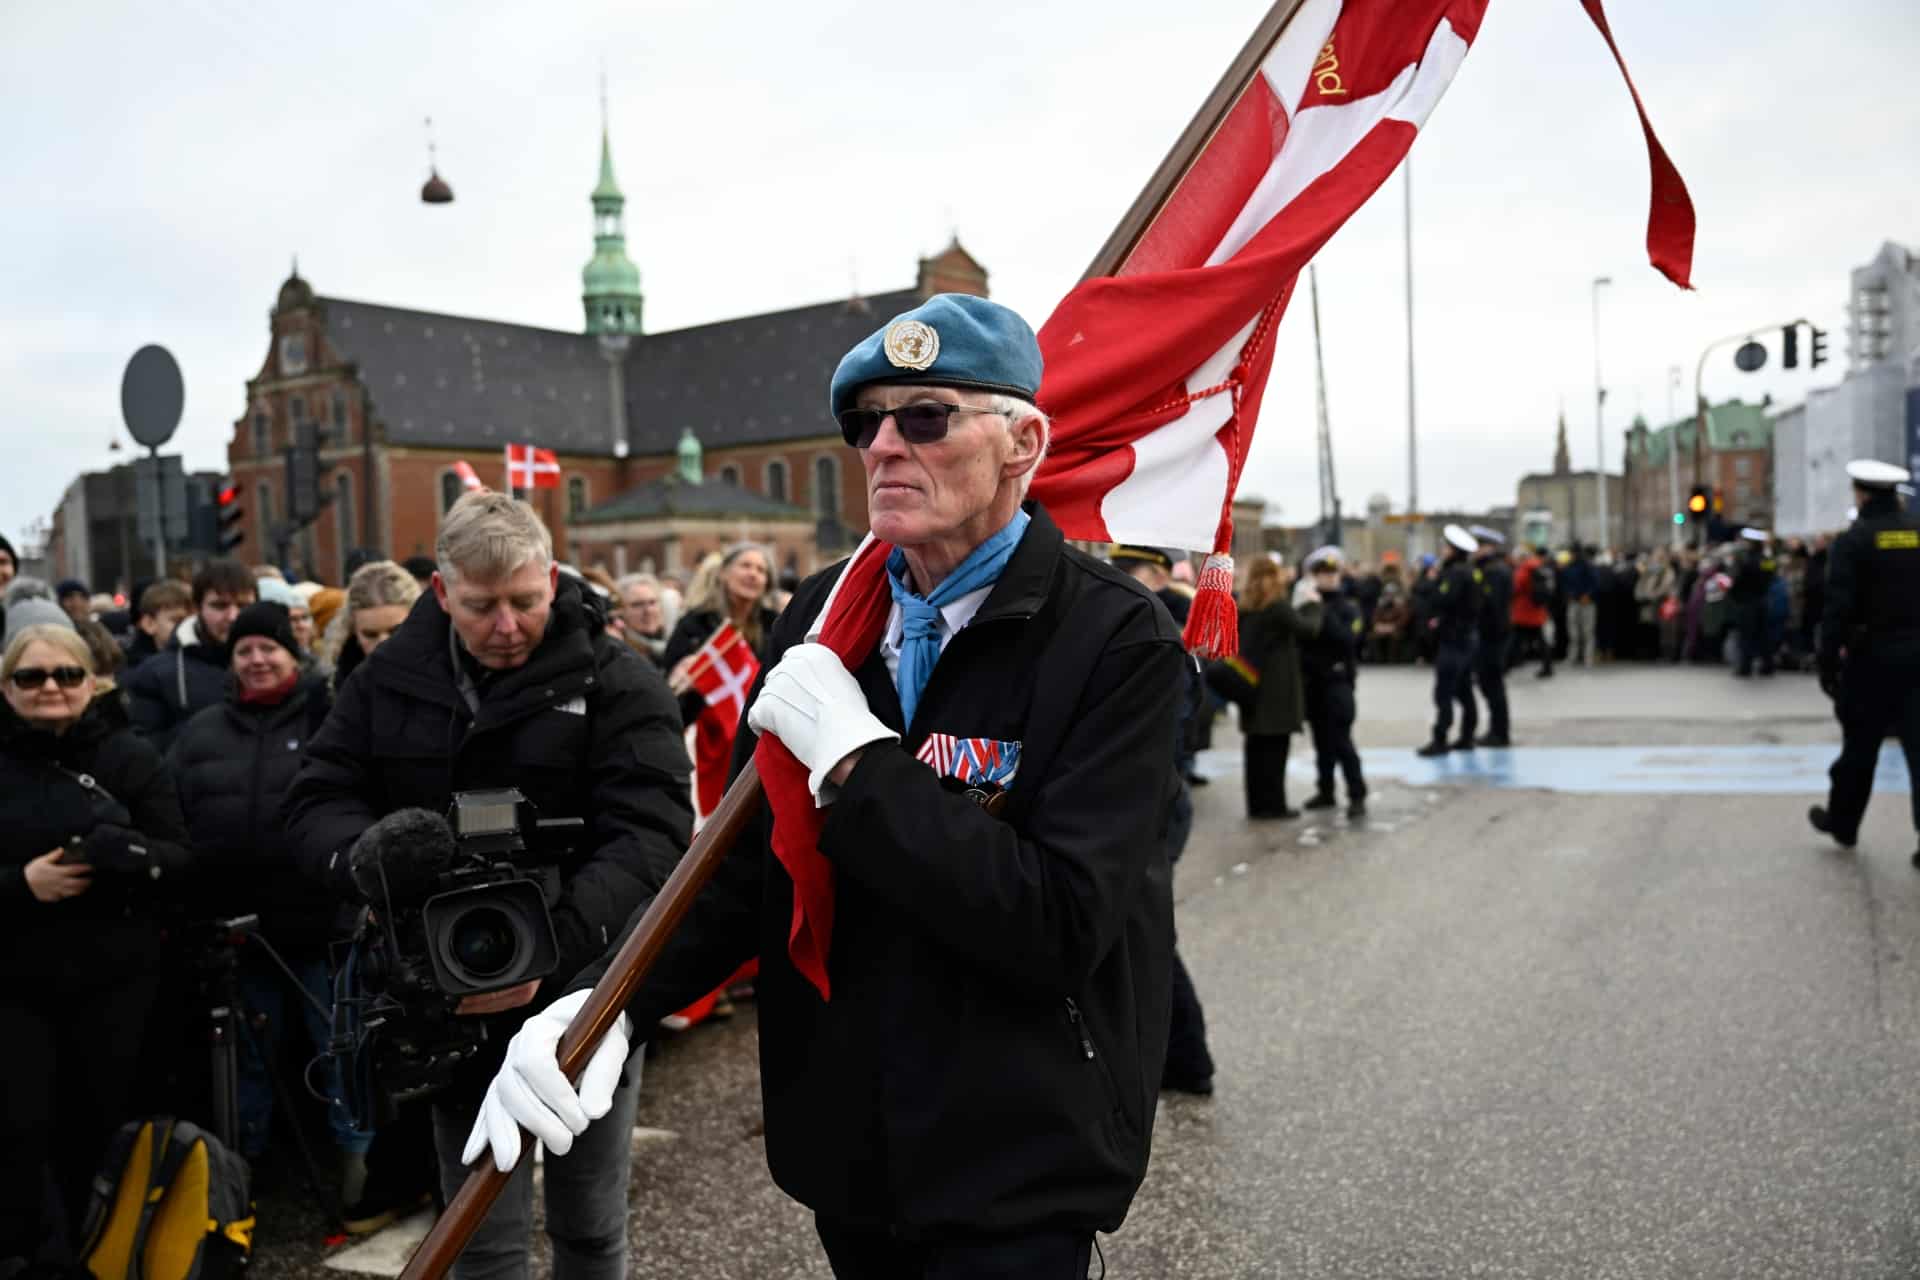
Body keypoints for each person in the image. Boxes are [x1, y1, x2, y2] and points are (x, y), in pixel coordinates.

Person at [463, 293, 1182, 1280]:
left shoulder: (1112, 640)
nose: (884, 444)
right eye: (866, 422)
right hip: (850, 1140)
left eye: (925, 416)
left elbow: (1058, 923)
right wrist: (602, 1007)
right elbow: (749, 858)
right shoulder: (825, 609)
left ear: (1023, 442)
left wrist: (858, 762)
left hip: (1015, 1152)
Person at [285, 492, 691, 1279]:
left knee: (589, 1227)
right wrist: (369, 858)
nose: (506, 625)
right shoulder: (387, 679)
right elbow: (315, 799)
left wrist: (550, 950)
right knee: (477, 1233)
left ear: (551, 576)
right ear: (442, 593)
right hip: (453, 993)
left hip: (585, 991)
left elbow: (653, 836)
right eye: (481, 606)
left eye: (524, 602)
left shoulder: (618, 681)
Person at [0, 624, 192, 1268]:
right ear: (6, 687)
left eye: (66, 674)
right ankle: (38, 1255)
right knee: (19, 1129)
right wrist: (23, 884)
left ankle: (94, 1250)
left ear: (92, 680)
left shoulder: (131, 757)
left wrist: (128, 856)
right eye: (31, 676)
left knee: (93, 1126)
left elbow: (180, 857)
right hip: (13, 981)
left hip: (112, 980)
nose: (50, 687)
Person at [168, 602, 370, 1199]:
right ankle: (244, 1180)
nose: (257, 659)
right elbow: (174, 811)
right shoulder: (200, 730)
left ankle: (356, 1177)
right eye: (244, 650)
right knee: (250, 1066)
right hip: (240, 933)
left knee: (340, 1053)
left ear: (291, 652)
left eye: (269, 648)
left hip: (320, 929)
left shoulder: (327, 715)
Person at [1108, 546, 1215, 1095]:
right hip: (1151, 800)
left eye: (1134, 574)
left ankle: (1186, 1060)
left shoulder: (1159, 634)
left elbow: (1164, 738)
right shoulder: (1146, 626)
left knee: (1142, 931)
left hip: (1154, 803)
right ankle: (1179, 1060)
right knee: (1133, 930)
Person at [1809, 461, 1920, 864]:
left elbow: (1837, 609)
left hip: (1871, 661)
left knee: (1859, 749)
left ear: (1862, 494)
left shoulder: (1854, 541)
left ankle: (1843, 823)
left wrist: (1826, 661)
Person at [663, 542, 779, 819]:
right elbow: (669, 695)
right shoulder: (694, 625)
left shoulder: (775, 625)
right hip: (706, 744)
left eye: (761, 570)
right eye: (746, 566)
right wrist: (680, 679)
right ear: (724, 573)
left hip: (759, 743)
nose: (753, 574)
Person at [124, 558, 258, 752]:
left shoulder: (280, 665)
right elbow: (144, 750)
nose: (232, 616)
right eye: (220, 606)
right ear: (197, 609)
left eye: (243, 605)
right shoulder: (157, 673)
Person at [1239, 555, 1318, 818]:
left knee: (1255, 750)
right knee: (1275, 751)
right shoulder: (1278, 607)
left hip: (1250, 685)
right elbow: (1309, 630)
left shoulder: (1245, 606)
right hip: (1276, 690)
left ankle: (1256, 805)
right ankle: (1275, 805)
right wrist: (1312, 606)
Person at [1298, 546, 1366, 815]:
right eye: (1321, 573)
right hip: (1313, 682)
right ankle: (1325, 790)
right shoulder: (1305, 604)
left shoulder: (1349, 608)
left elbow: (1347, 640)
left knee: (1341, 741)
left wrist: (1321, 611)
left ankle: (1357, 793)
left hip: (1338, 682)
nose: (1327, 578)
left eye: (1331, 573)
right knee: (1320, 741)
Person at [1417, 525, 1482, 757]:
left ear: (1454, 551)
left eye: (1446, 548)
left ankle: (1440, 739)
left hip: (1454, 639)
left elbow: (1441, 599)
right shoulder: (1471, 571)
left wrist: (1433, 582)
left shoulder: (1455, 574)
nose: (1443, 551)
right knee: (1464, 690)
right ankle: (1467, 736)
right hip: (1466, 638)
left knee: (1443, 692)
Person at [322, 559, 421, 694]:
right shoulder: (330, 693)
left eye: (396, 631)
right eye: (370, 634)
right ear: (353, 632)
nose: (383, 644)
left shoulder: (452, 681)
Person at [1469, 527, 1513, 747]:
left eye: (1478, 546)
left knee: (1492, 684)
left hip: (1492, 636)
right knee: (1489, 684)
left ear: (1490, 547)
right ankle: (1497, 730)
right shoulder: (1490, 569)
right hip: (1490, 634)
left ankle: (1500, 732)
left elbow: (1491, 606)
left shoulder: (1494, 571)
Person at [1730, 528, 1777, 677]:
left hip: (1747, 602)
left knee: (1746, 636)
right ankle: (1767, 665)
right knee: (1763, 635)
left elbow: (1737, 580)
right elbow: (1771, 575)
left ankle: (1745, 666)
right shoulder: (1765, 559)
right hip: (1762, 600)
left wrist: (1735, 594)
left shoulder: (1744, 559)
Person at [123, 579, 193, 668]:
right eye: (177, 621)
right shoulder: (137, 672)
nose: (186, 625)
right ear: (149, 624)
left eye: (190, 620)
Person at [1510, 543, 1554, 678]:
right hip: (1536, 610)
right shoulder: (1537, 567)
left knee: (1515, 639)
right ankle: (1547, 666)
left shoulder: (1524, 569)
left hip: (1524, 610)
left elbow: (1515, 588)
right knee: (1539, 640)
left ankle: (1507, 665)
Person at [613, 572, 669, 668]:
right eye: (637, 604)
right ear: (621, 611)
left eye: (652, 602)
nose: (648, 611)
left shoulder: (675, 643)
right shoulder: (620, 654)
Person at [1561, 544, 1597, 667]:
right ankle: (1573, 657)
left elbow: (1595, 583)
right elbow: (1565, 584)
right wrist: (1568, 594)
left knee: (1587, 631)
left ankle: (1588, 658)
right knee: (1573, 632)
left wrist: (1588, 594)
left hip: (1587, 602)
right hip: (1574, 601)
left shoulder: (1588, 566)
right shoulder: (1569, 567)